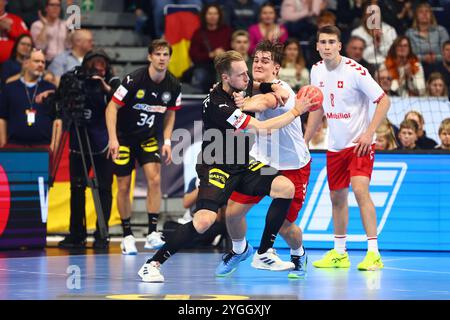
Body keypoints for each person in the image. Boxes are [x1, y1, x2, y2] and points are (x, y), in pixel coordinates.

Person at [137, 50, 316, 282]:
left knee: (285, 187)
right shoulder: (218, 105)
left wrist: (272, 88)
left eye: (246, 72)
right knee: (203, 222)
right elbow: (262, 128)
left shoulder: (238, 87)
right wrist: (296, 111)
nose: (247, 78)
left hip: (243, 164)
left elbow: (257, 88)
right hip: (217, 166)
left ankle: (262, 253)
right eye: (241, 74)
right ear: (225, 77)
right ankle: (152, 264)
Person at [215, 40, 319, 279]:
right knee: (231, 213)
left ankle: (298, 253)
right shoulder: (246, 85)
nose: (259, 64)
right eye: (257, 60)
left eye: (266, 61)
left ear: (276, 69)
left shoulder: (282, 90)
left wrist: (241, 105)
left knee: (284, 227)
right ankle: (240, 250)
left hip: (293, 166)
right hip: (262, 161)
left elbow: (266, 101)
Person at [309, 26, 391, 271]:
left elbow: (383, 100)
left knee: (359, 189)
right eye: (322, 42)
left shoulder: (356, 71)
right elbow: (317, 109)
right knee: (336, 197)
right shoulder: (315, 71)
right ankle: (339, 253)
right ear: (317, 46)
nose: (326, 46)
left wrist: (368, 134)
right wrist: (305, 140)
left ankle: (374, 253)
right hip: (335, 145)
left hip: (359, 144)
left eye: (331, 42)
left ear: (339, 46)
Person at [106, 39, 181, 255]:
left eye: (165, 54)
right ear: (150, 57)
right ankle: (127, 235)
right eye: (157, 54)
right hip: (124, 137)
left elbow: (170, 113)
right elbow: (111, 108)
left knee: (155, 179)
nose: (161, 58)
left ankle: (151, 233)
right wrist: (113, 139)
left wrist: (167, 141)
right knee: (123, 185)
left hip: (148, 137)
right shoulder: (133, 79)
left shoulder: (174, 85)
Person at [57, 50, 120, 249]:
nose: (98, 68)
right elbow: (62, 102)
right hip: (79, 140)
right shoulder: (75, 80)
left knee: (104, 188)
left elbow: (121, 105)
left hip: (103, 142)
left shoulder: (114, 82)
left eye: (102, 64)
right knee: (76, 188)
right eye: (94, 63)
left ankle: (102, 233)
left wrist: (104, 87)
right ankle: (77, 233)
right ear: (86, 64)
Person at [0, 49, 61, 151]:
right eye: (36, 61)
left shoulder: (51, 89)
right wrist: (3, 144)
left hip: (43, 147)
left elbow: (57, 119)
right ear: (26, 63)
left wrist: (54, 146)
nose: (41, 65)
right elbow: (2, 118)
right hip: (14, 146)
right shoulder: (10, 88)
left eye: (43, 62)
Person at [188, 3, 232, 93]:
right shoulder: (198, 33)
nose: (213, 16)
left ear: (219, 16)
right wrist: (210, 54)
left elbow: (234, 49)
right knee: (200, 75)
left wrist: (224, 54)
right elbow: (193, 55)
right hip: (205, 66)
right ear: (204, 16)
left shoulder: (227, 31)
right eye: (210, 14)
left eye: (215, 14)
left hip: (224, 66)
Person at [405, 2, 449, 75]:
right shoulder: (410, 33)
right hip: (416, 68)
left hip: (440, 67)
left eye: (427, 11)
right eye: (421, 12)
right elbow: (409, 55)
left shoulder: (441, 30)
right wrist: (423, 58)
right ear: (416, 15)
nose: (424, 14)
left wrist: (435, 57)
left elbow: (447, 53)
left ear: (431, 15)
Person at [0, 0, 29, 64]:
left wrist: (10, 30)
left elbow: (27, 40)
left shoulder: (16, 20)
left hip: (13, 64)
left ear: (5, 2)